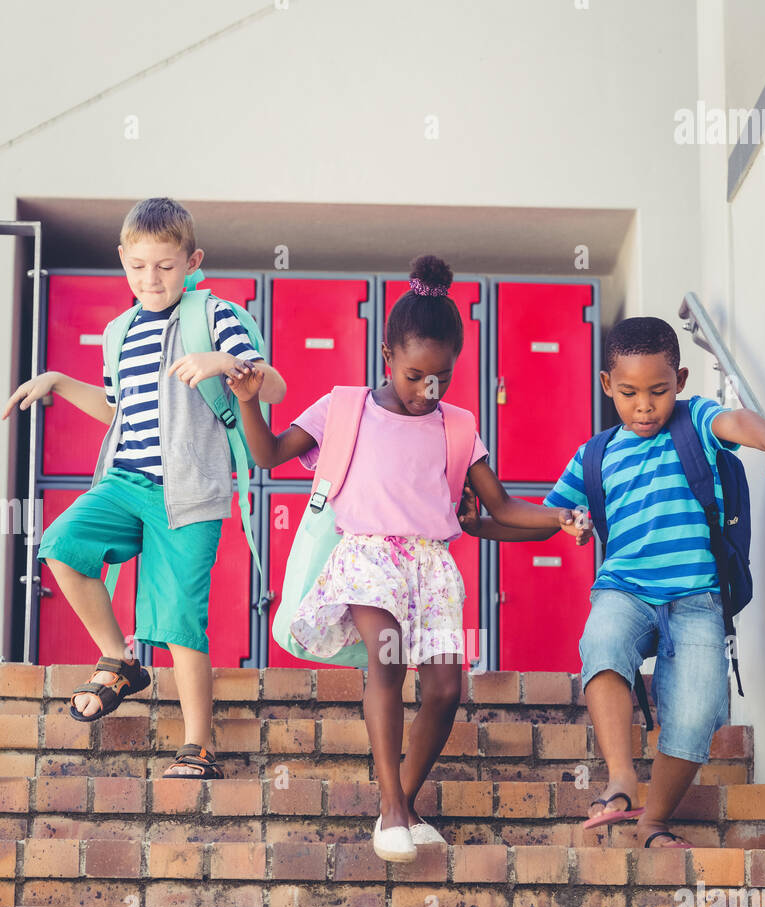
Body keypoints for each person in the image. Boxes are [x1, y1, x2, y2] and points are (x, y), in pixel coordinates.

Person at [232, 253, 571, 862]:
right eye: (416, 375)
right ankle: (389, 807)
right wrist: (252, 402)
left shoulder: (460, 426)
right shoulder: (344, 408)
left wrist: (560, 518)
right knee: (387, 663)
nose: (428, 390)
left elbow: (502, 508)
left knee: (445, 687)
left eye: (441, 377)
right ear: (387, 356)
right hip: (366, 557)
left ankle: (406, 804)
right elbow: (266, 455)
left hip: (431, 567)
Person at [459, 315, 765, 847]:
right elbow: (545, 523)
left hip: (697, 599)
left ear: (682, 381)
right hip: (624, 589)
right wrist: (479, 526)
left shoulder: (695, 421)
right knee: (602, 642)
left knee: (698, 711)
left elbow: (739, 423)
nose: (645, 405)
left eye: (659, 390)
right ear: (607, 385)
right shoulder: (596, 455)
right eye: (629, 392)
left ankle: (654, 821)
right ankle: (621, 779)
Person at [3, 197, 285, 778]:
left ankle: (198, 745)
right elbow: (117, 411)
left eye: (165, 265)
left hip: (189, 495)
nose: (150, 279)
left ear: (191, 261)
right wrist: (58, 380)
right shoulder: (118, 332)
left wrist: (220, 363)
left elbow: (273, 386)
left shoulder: (217, 317)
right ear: (122, 262)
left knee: (181, 622)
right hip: (125, 483)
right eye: (138, 266)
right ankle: (120, 659)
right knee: (61, 544)